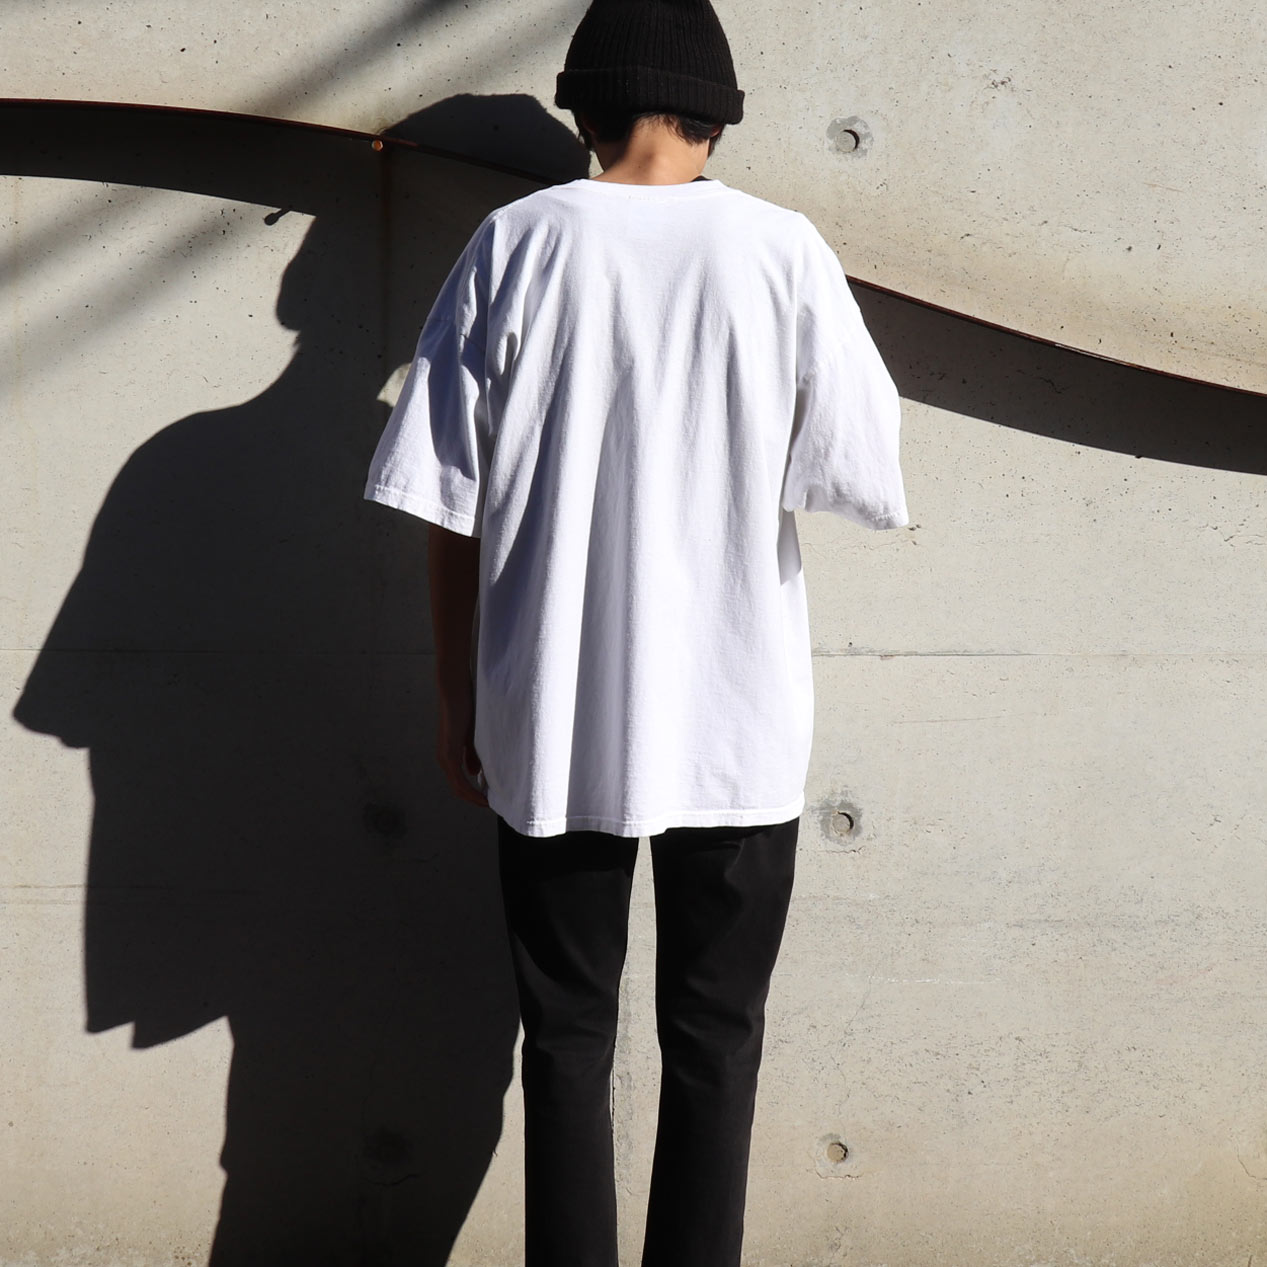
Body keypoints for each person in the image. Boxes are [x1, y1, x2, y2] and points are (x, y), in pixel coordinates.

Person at [364, 0, 908, 1261]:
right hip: (736, 715)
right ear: (717, 113)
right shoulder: (781, 251)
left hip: (551, 712)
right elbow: (860, 464)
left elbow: (449, 501)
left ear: (584, 109)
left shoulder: (515, 243)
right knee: (716, 1037)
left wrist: (456, 691)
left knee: (562, 1037)